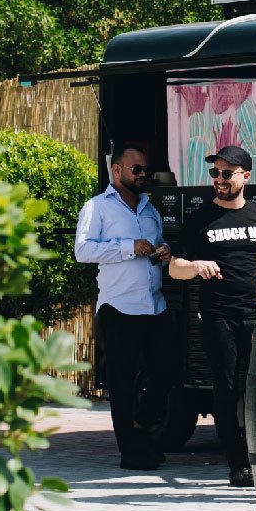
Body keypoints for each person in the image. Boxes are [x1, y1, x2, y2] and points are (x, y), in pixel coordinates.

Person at [169, 146, 256, 488]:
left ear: (246, 176)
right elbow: (174, 268)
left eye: (227, 173)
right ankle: (238, 465)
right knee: (225, 388)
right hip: (218, 316)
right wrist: (195, 266)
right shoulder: (200, 218)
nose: (220, 180)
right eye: (215, 173)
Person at [74, 140, 172, 471]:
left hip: (154, 304)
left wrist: (163, 251)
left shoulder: (150, 208)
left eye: (146, 169)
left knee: (165, 371)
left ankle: (140, 428)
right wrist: (129, 247)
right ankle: (129, 450)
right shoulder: (98, 207)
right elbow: (83, 250)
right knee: (122, 379)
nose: (144, 174)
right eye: (137, 169)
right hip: (119, 306)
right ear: (117, 171)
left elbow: (157, 245)